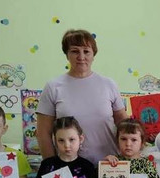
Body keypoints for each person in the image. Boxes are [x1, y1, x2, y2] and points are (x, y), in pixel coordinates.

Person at [36, 29, 128, 165]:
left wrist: (145, 135)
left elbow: (124, 124)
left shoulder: (109, 84)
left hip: (110, 164)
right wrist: (52, 167)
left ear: (93, 55)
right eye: (74, 51)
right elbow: (43, 133)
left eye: (86, 51)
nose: (81, 56)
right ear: (67, 55)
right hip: (70, 167)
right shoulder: (53, 87)